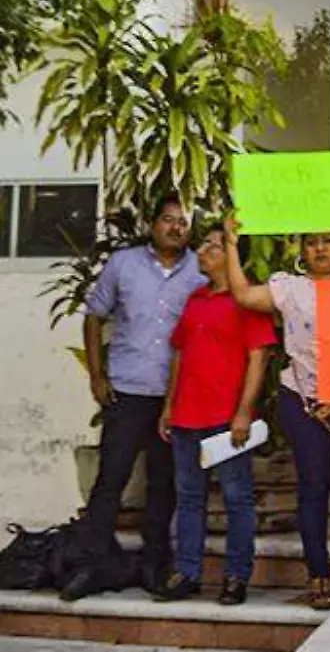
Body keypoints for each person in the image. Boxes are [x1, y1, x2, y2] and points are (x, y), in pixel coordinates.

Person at [224, 201, 330, 610]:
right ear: (302, 249)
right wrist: (231, 243)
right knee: (314, 488)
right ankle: (318, 575)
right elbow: (244, 294)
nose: (320, 248)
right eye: (312, 242)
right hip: (303, 400)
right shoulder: (289, 287)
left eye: (328, 240)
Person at [67, 196, 208, 601]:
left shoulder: (200, 271)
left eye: (183, 222)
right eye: (168, 219)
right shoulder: (123, 263)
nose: (176, 228)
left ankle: (153, 565)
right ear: (152, 224)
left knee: (164, 483)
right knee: (111, 478)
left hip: (176, 398)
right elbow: (94, 315)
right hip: (127, 390)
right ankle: (90, 565)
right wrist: (97, 375)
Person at [154, 225, 276, 606]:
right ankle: (186, 573)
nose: (202, 251)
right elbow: (179, 353)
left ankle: (236, 576)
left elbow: (259, 358)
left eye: (212, 246)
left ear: (232, 255)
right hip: (186, 418)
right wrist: (169, 407)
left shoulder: (248, 299)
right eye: (203, 244)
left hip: (226, 420)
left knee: (237, 498)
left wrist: (244, 413)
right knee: (189, 498)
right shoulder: (195, 299)